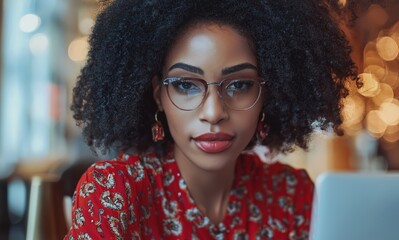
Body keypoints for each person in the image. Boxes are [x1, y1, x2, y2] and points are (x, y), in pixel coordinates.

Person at [64, 0, 358, 239]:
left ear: (269, 92)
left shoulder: (293, 196)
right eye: (186, 85)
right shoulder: (114, 192)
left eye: (240, 85)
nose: (214, 112)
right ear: (157, 95)